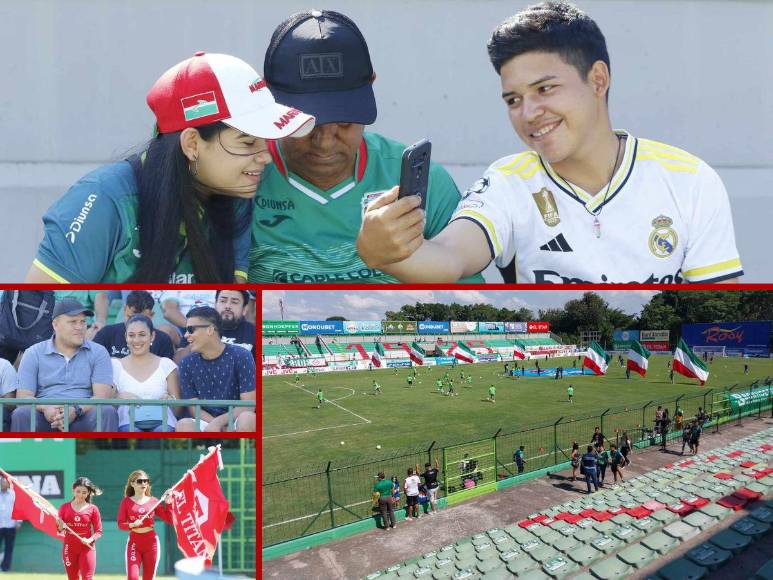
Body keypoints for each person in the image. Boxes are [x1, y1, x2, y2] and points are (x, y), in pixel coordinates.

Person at [356, 2, 743, 285]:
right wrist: (390, 254)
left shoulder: (690, 179)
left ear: (598, 79)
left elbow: (716, 304)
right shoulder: (508, 182)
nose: (528, 112)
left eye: (545, 88)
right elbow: (451, 257)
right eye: (513, 99)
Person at [26, 53, 314, 284]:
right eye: (248, 142)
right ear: (191, 144)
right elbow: (42, 309)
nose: (265, 157)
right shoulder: (103, 200)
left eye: (265, 140)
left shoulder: (236, 194)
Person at [249, 9, 483, 284]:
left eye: (345, 121)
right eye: (304, 124)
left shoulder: (427, 182)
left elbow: (466, 301)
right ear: (266, 96)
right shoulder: (239, 176)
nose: (324, 142)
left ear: (371, 84)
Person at [12, 300, 118, 432]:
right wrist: (45, 408)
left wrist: (76, 409)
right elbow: (23, 396)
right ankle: (24, 453)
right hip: (44, 415)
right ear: (55, 325)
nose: (80, 327)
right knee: (22, 414)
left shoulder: (98, 352)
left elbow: (101, 397)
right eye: (73, 322)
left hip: (84, 413)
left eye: (83, 322)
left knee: (106, 411)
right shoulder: (34, 352)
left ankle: (102, 453)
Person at [176, 307, 256, 432]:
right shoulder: (186, 363)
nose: (186, 335)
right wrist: (214, 424)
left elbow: (249, 405)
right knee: (184, 425)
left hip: (236, 419)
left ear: (210, 329)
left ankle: (242, 451)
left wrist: (219, 423)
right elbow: (194, 409)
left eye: (191, 329)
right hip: (204, 421)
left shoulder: (242, 355)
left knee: (248, 419)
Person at [112, 315, 180, 432]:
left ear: (152, 336)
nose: (136, 340)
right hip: (127, 423)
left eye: (142, 335)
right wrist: (119, 397)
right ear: (126, 337)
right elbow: (107, 402)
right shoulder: (114, 365)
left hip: (163, 423)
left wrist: (170, 400)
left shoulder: (166, 364)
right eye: (131, 335)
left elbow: (178, 409)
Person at [117, 470, 173, 580]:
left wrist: (169, 503)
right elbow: (120, 524)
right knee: (132, 577)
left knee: (149, 577)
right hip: (134, 543)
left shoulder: (153, 501)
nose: (143, 484)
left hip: (151, 543)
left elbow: (169, 520)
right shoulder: (126, 502)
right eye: (140, 481)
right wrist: (132, 524)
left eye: (146, 481)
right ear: (132, 484)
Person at [93, 291, 175, 360]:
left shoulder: (163, 340)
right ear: (124, 310)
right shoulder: (106, 334)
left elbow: (166, 372)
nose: (135, 324)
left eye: (141, 319)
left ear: (151, 315)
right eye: (130, 317)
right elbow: (92, 362)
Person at [57, 477, 103, 580]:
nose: (81, 495)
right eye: (78, 491)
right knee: (73, 578)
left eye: (84, 492)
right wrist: (60, 524)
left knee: (87, 578)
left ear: (88, 493)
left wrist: (90, 539)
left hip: (87, 548)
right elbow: (60, 529)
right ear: (73, 490)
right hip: (69, 548)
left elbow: (99, 531)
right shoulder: (64, 507)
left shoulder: (93, 509)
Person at [0, 477, 21, 572]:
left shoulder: (13, 495)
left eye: (4, 482)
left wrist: (19, 521)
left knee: (9, 548)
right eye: (1, 482)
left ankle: (5, 568)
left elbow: (19, 507)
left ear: (9, 484)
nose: (3, 484)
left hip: (10, 525)